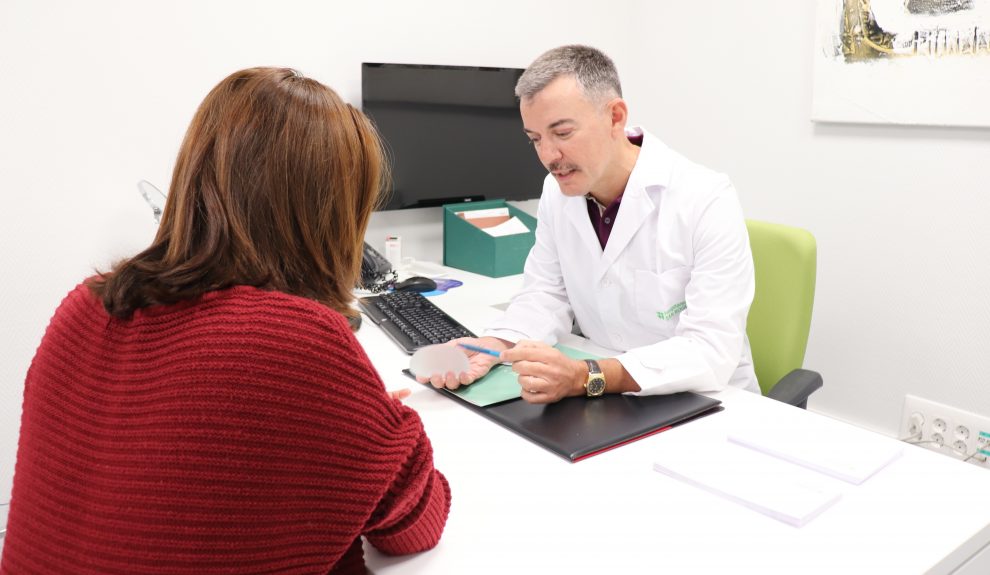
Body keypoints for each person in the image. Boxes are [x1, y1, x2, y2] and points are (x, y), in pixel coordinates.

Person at [1, 68, 450, 575]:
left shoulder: (84, 306)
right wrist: (379, 418)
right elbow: (416, 526)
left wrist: (348, 414)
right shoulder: (297, 341)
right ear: (332, 214)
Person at [421, 45, 759, 403]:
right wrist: (495, 344)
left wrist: (587, 376)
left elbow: (709, 350)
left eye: (562, 133)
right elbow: (546, 293)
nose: (548, 156)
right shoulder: (558, 191)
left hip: (706, 400)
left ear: (615, 117)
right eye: (535, 139)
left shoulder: (705, 198)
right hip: (607, 395)